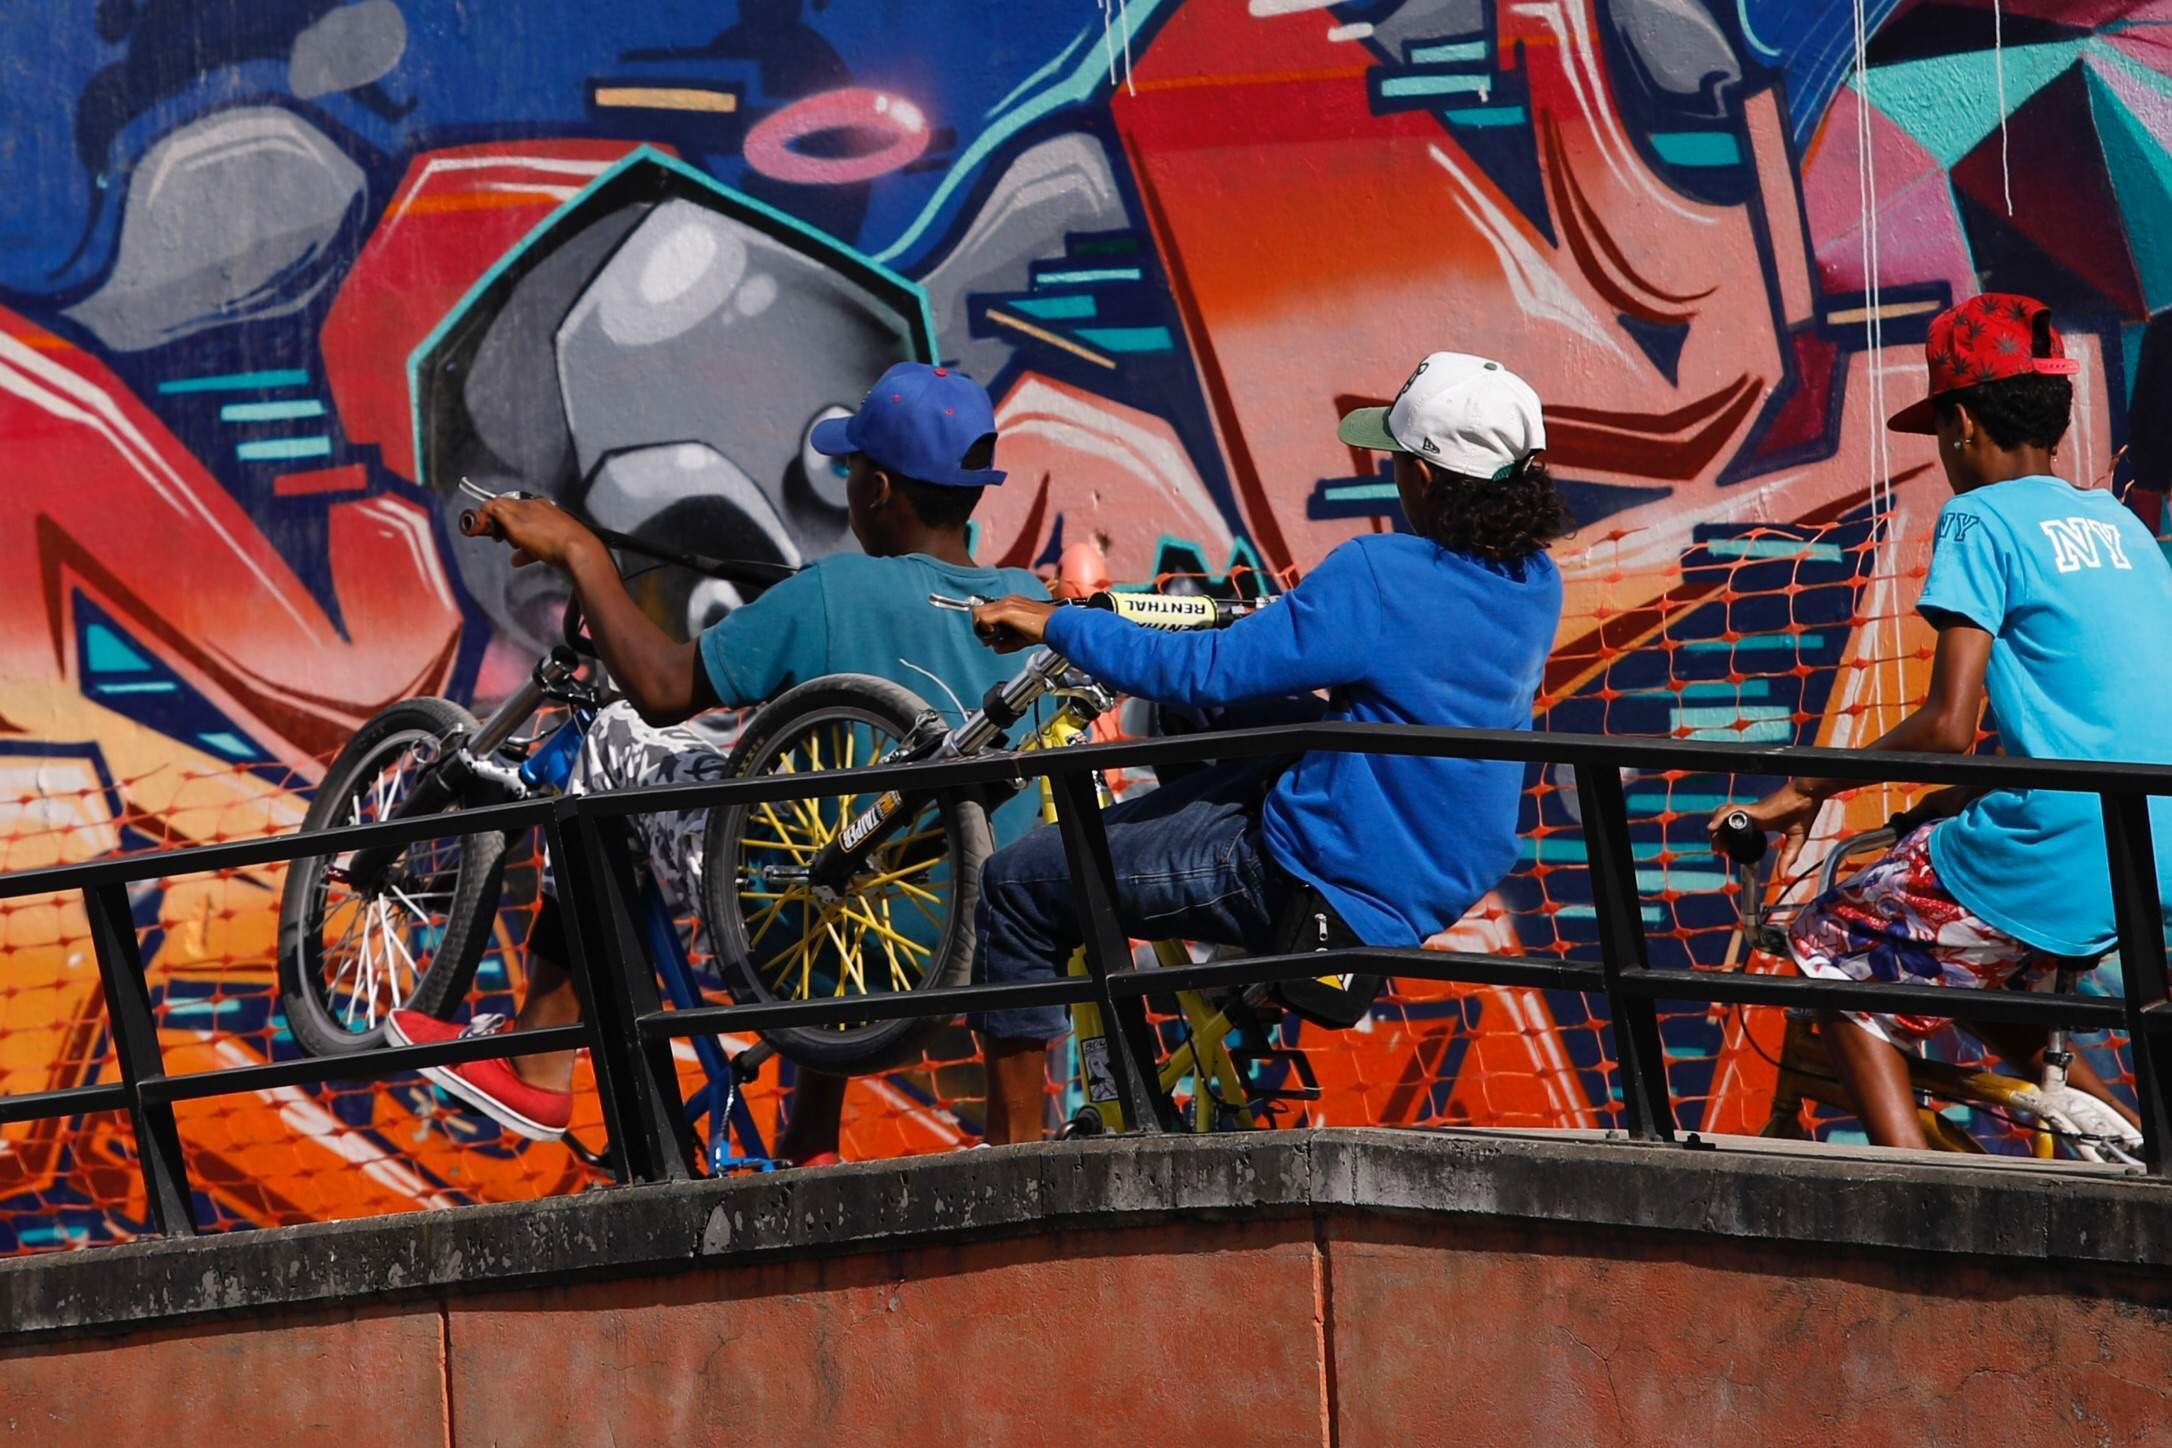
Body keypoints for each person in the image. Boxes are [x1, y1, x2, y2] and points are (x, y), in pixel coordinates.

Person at [387, 362, 1047, 1164]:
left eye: (851, 472)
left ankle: (541, 1050)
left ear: (877, 490)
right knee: (840, 795)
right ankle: (810, 1139)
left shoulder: (838, 593)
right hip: (965, 956)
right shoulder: (1029, 608)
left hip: (806, 923)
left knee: (619, 735)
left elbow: (664, 688)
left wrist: (581, 552)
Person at [964, 352, 1570, 1143]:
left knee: (1016, 883)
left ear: (1424, 476)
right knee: (1208, 724)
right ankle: (1214, 970)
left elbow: (1201, 669)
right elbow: (1395, 657)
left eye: (1395, 458)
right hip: (1427, 867)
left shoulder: (1378, 574)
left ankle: (1009, 1163)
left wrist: (1062, 623)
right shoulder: (1535, 582)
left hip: (1315, 873)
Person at [1713, 293, 2166, 1150]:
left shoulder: (1979, 517)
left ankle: (1916, 1208)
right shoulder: (2118, 523)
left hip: (2062, 844)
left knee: (1831, 955)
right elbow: (2093, 727)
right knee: (1968, 969)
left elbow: (1949, 722)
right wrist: (1946, 803)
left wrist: (1802, 791)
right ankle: (2123, 1138)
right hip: (2149, 844)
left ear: (1961, 422)